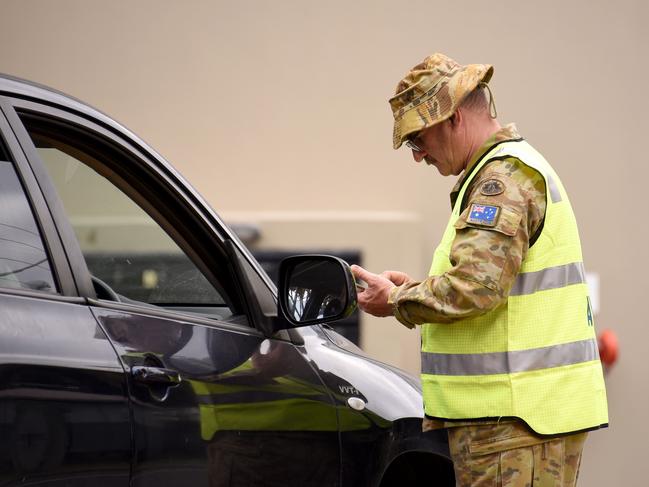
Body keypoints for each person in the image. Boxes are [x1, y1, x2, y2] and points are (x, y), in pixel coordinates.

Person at [351, 53, 608, 487]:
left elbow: (475, 287)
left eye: (418, 139)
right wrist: (414, 289)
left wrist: (396, 300)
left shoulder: (500, 181)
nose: (418, 156)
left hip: (513, 427)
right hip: (525, 421)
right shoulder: (512, 170)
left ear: (451, 118)